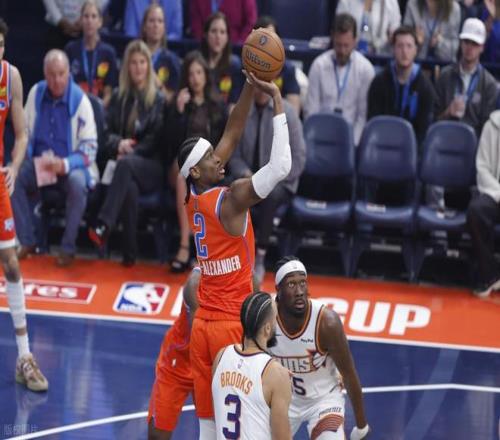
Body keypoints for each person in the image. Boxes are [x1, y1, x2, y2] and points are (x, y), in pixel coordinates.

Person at [177, 71, 291, 439]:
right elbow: (281, 167)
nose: (220, 158)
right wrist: (277, 100)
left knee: (208, 427)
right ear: (198, 169)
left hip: (202, 328)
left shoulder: (192, 195)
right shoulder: (232, 199)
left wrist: (249, 83)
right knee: (243, 426)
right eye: (212, 157)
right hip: (230, 326)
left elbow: (232, 132)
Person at [269, 256, 370, 440]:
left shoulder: (327, 322)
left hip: (324, 400)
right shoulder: (267, 318)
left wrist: (361, 426)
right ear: (278, 289)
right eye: (291, 284)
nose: (300, 291)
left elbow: (349, 373)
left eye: (303, 283)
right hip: (283, 401)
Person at [12, 49, 97, 267]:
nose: (57, 80)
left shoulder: (81, 101)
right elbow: (24, 134)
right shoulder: (36, 93)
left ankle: (68, 248)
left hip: (69, 166)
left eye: (61, 74)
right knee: (12, 176)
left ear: (68, 73)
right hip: (40, 165)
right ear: (45, 74)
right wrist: (24, 159)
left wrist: (65, 164)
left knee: (78, 183)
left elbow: (90, 149)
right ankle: (27, 240)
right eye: (52, 75)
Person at [0, 18, 48, 393]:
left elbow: (21, 133)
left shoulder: (10, 76)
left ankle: (24, 356)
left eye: (1, 45)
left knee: (12, 264)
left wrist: (14, 167)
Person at [88, 40, 165, 266]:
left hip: (151, 166)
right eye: (133, 63)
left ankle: (104, 223)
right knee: (129, 187)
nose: (138, 67)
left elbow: (155, 140)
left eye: (142, 62)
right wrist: (118, 144)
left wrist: (130, 151)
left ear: (148, 66)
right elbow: (106, 134)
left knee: (125, 166)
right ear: (127, 67)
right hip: (125, 167)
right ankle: (129, 255)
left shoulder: (158, 99)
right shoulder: (119, 96)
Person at [229, 81, 306, 286]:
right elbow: (234, 156)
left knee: (270, 195)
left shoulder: (288, 113)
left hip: (281, 181)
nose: (261, 90)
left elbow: (299, 158)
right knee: (229, 190)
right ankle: (229, 255)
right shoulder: (242, 111)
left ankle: (260, 256)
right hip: (249, 178)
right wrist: (247, 175)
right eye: (257, 85)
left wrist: (270, 179)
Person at [166, 50, 227, 273]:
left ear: (206, 75)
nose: (195, 78)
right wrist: (179, 112)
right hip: (181, 162)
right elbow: (169, 143)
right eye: (191, 74)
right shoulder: (180, 103)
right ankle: (185, 244)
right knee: (184, 175)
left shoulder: (217, 106)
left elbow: (223, 142)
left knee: (195, 177)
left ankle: (200, 250)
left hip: (208, 163)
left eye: (199, 72)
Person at [212, 292, 292, 440]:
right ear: (267, 329)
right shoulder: (276, 375)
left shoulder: (221, 356)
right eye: (275, 319)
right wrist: (281, 379)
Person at [304, 13, 375, 144]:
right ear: (332, 38)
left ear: (355, 41)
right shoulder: (318, 65)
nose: (342, 51)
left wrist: (351, 146)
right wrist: (316, 140)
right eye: (338, 45)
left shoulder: (366, 70)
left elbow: (362, 117)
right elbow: (311, 111)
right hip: (320, 137)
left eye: (346, 45)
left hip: (351, 139)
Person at [147, 267, 200, 439]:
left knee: (222, 430)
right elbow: (199, 335)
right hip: (179, 360)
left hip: (212, 362)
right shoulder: (195, 283)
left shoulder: (245, 281)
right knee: (157, 434)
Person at [368, 25, 435, 145]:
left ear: (416, 50)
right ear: (393, 49)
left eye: (409, 46)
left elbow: (424, 129)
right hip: (382, 145)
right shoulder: (379, 82)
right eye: (400, 46)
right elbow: (373, 121)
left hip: (413, 147)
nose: (404, 51)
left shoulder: (425, 87)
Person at [434, 18, 498, 138]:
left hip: (474, 144)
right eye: (466, 42)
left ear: (482, 47)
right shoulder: (445, 76)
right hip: (444, 139)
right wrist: (448, 112)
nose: (470, 47)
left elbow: (487, 129)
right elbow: (432, 120)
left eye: (474, 44)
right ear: (461, 43)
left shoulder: (489, 84)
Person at [466, 109, 500, 298]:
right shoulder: (492, 125)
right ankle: (491, 275)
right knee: (476, 211)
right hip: (495, 192)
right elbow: (483, 167)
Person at [65, 0, 119, 107]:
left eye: (94, 16)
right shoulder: (71, 49)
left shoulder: (108, 52)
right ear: (81, 20)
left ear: (100, 22)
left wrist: (100, 109)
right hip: (76, 106)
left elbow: (109, 89)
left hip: (101, 107)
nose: (89, 21)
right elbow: (66, 85)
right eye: (86, 16)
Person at [253, 15, 302, 115]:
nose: (268, 43)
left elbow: (293, 113)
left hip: (279, 118)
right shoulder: (246, 66)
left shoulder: (287, 68)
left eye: (272, 37)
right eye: (264, 38)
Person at [200, 12, 244, 109]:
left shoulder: (234, 65)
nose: (218, 36)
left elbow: (234, 102)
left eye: (222, 32)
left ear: (227, 37)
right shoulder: (198, 63)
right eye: (213, 31)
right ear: (206, 35)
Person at [140, 2, 182, 104]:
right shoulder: (134, 56)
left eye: (160, 21)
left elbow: (171, 100)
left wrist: (156, 82)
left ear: (164, 27)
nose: (156, 25)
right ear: (144, 26)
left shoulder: (172, 60)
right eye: (151, 21)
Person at [336, 0, 402, 55]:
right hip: (351, 54)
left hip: (381, 55)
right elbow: (340, 28)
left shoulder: (391, 2)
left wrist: (393, 36)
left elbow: (396, 30)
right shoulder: (346, 1)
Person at [190, 0, 257, 44]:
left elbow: (251, 22)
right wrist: (203, 43)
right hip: (205, 46)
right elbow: (196, 26)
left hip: (236, 46)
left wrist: (240, 43)